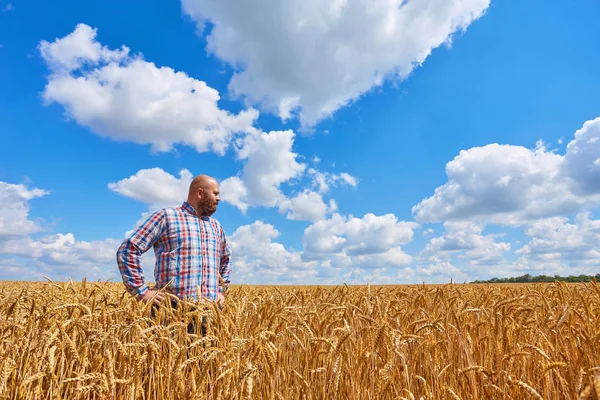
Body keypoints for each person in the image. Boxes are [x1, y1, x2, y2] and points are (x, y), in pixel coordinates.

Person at [116, 174, 232, 334]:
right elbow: (129, 248)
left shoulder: (216, 226)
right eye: (215, 193)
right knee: (165, 357)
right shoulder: (166, 217)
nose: (219, 199)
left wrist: (221, 290)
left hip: (210, 313)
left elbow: (226, 259)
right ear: (200, 193)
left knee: (207, 359)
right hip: (170, 312)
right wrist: (141, 291)